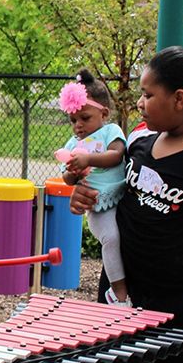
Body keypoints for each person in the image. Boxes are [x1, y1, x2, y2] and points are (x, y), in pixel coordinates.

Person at [69, 47, 183, 363]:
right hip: (122, 297)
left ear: (180, 99)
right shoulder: (138, 145)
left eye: (148, 94)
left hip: (178, 302)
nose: (140, 102)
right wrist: (82, 193)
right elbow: (103, 190)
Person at [57, 68, 129, 306]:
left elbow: (116, 156)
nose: (78, 125)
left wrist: (88, 159)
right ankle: (118, 291)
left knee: (123, 237)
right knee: (111, 239)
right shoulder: (73, 143)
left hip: (120, 194)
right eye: (73, 120)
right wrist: (73, 173)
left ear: (104, 113)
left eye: (85, 118)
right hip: (99, 204)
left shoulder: (111, 131)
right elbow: (67, 179)